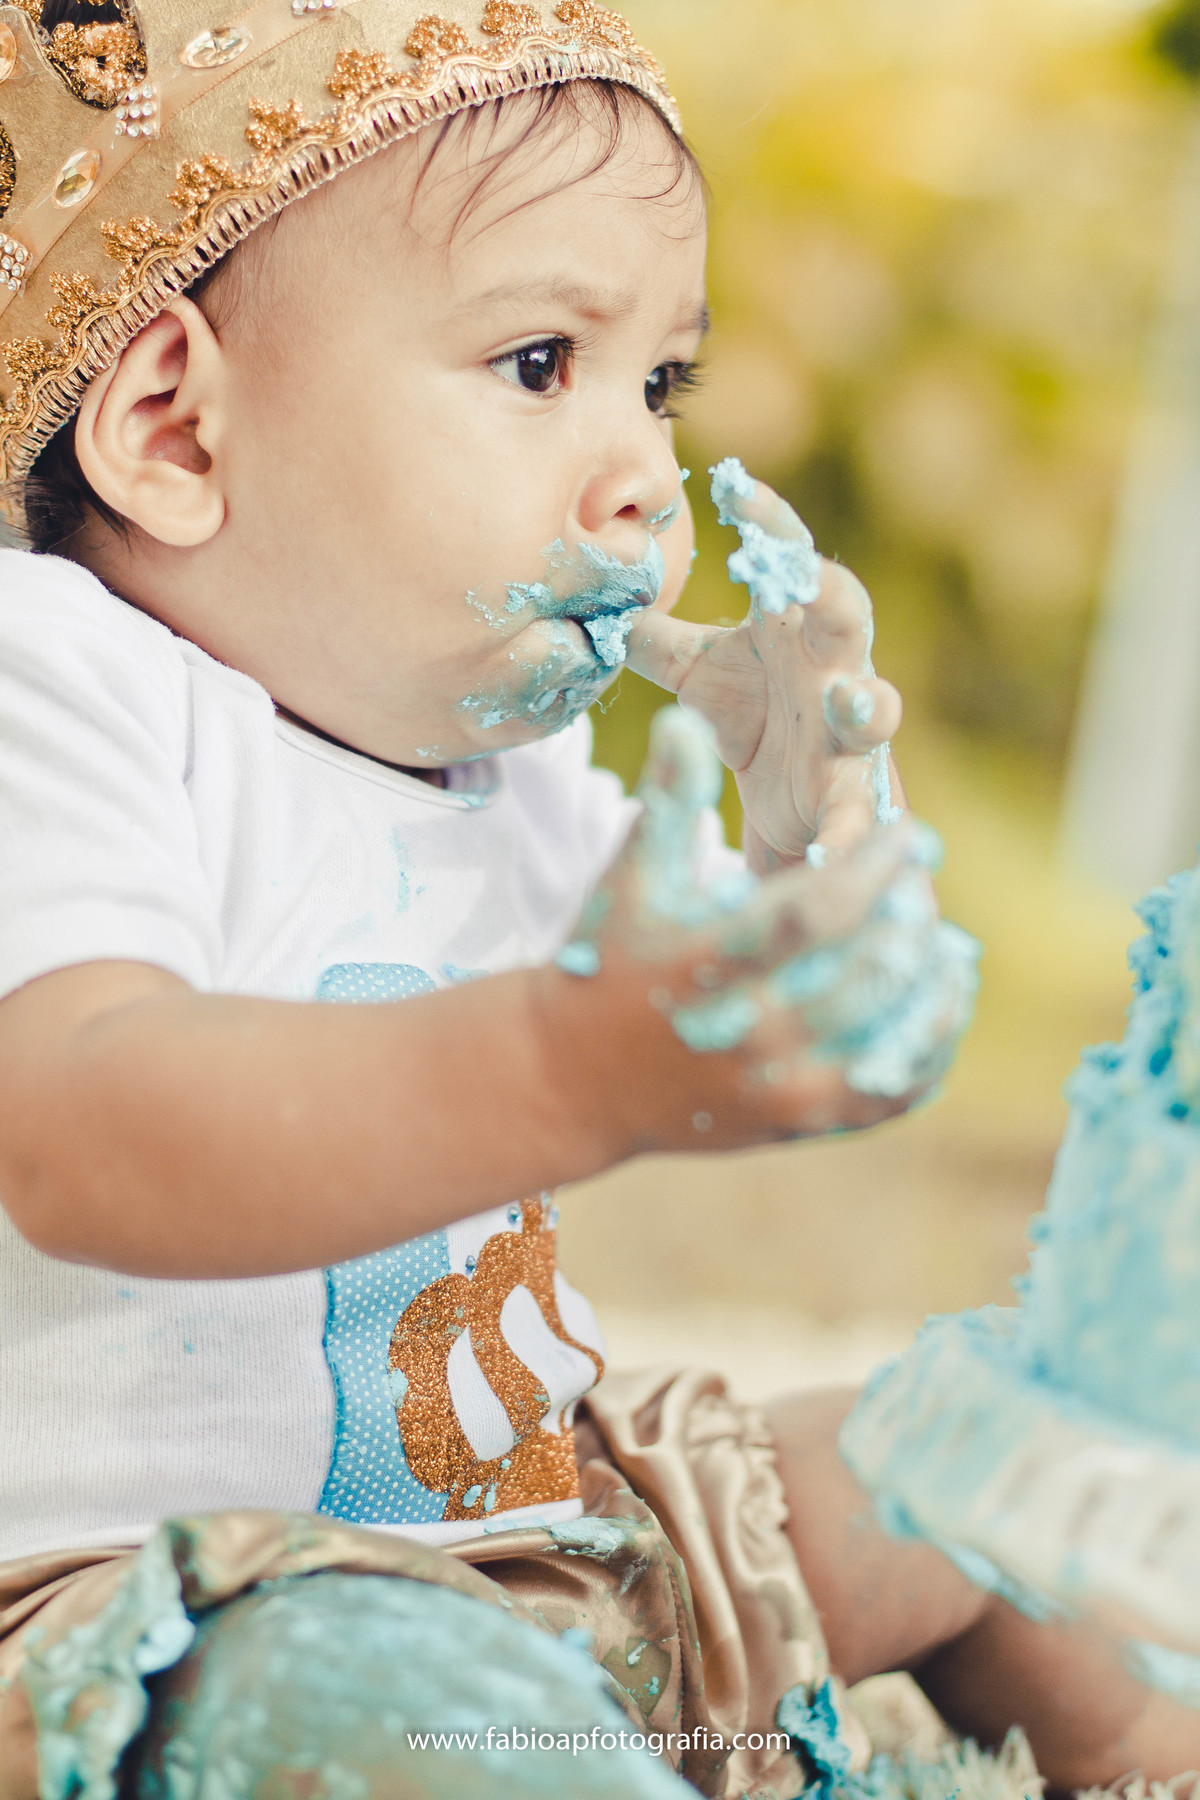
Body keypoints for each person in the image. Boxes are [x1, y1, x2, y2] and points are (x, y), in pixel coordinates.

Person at [0, 1, 1191, 1793]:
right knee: (365, 1691)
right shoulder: (64, 690)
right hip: (152, 1622)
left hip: (555, 1570)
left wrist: (814, 860)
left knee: (956, 1460)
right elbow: (79, 1127)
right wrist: (564, 1071)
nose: (643, 473)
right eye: (542, 363)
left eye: (661, 384)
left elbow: (701, 1027)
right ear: (175, 428)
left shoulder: (518, 778)